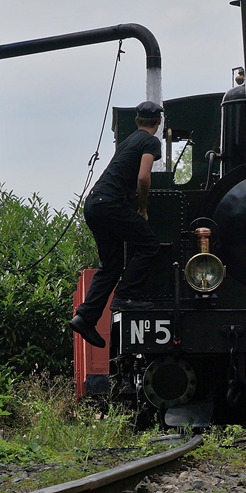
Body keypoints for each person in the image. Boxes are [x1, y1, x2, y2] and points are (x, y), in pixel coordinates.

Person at [70, 100, 163, 348]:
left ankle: (85, 316)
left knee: (111, 265)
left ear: (137, 120)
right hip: (111, 204)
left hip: (94, 203)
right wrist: (143, 209)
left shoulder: (128, 141)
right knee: (150, 245)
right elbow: (144, 176)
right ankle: (126, 296)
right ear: (159, 121)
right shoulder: (150, 142)